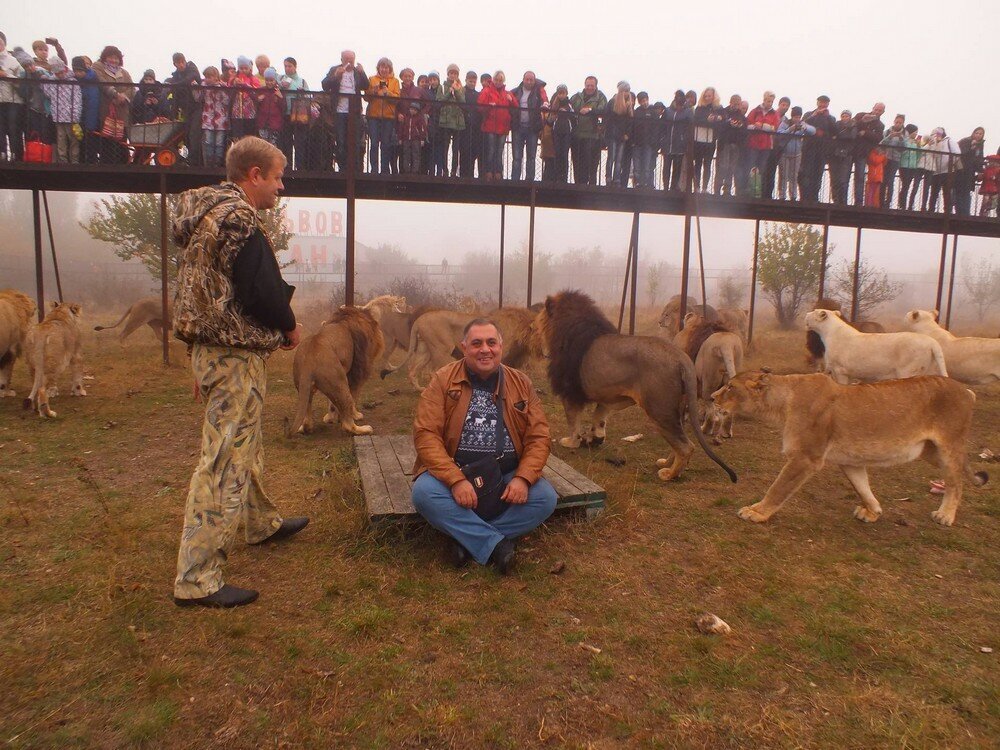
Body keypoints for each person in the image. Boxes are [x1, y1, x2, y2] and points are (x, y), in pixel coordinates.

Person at [172, 136, 307, 609]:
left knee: (245, 441)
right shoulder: (237, 218)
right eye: (277, 177)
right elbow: (262, 292)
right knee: (223, 459)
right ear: (254, 175)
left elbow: (202, 291)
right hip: (231, 355)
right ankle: (197, 578)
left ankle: (260, 522)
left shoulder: (208, 216)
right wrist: (289, 327)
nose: (281, 186)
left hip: (217, 349)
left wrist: (199, 349)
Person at [411, 318, 557, 574]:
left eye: (491, 342)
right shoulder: (442, 380)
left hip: (506, 475)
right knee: (423, 493)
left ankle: (466, 539)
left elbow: (539, 437)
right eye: (476, 343)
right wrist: (455, 480)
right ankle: (497, 544)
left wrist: (523, 479)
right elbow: (426, 434)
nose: (485, 349)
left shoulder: (521, 382)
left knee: (545, 498)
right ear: (464, 347)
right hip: (457, 472)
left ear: (501, 346)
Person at [322, 50, 368, 171]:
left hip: (355, 111)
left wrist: (362, 73)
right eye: (347, 60)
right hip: (339, 111)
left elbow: (365, 86)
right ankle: (342, 168)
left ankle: (354, 168)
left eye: (351, 60)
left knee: (354, 141)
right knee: (341, 141)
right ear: (341, 60)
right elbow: (325, 85)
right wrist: (336, 76)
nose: (349, 63)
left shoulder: (357, 72)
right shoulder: (334, 70)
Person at [91, 45, 134, 164]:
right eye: (111, 57)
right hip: (107, 112)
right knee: (107, 143)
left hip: (122, 114)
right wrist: (115, 95)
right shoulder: (98, 67)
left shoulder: (124, 73)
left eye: (117, 58)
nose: (114, 60)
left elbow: (131, 89)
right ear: (105, 57)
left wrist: (123, 97)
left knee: (122, 144)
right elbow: (102, 83)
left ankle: (123, 168)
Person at [509, 70, 547, 182]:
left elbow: (545, 104)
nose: (529, 82)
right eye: (527, 79)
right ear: (523, 79)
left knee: (531, 157)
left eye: (531, 80)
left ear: (534, 81)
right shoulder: (515, 92)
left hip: (532, 128)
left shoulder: (539, 93)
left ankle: (529, 179)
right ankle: (515, 179)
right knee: (516, 157)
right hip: (518, 127)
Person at [477, 70, 516, 181]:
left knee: (499, 151)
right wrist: (489, 106)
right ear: (493, 80)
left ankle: (498, 172)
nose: (498, 82)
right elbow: (480, 105)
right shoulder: (487, 91)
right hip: (490, 126)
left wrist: (511, 100)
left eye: (500, 80)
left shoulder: (507, 93)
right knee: (491, 150)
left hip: (503, 127)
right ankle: (489, 172)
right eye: (497, 80)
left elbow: (516, 106)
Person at [42, 58, 82, 163]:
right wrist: (44, 82)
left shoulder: (73, 82)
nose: (59, 75)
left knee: (73, 139)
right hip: (58, 115)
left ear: (64, 69)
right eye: (57, 73)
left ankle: (74, 160)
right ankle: (62, 160)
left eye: (61, 72)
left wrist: (76, 115)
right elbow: (48, 94)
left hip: (71, 116)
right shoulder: (52, 81)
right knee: (61, 139)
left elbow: (77, 100)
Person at [364, 57, 399, 175]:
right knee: (374, 143)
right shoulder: (372, 79)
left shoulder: (395, 81)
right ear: (378, 68)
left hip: (388, 117)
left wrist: (387, 92)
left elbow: (397, 99)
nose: (384, 69)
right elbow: (366, 98)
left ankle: (384, 170)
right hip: (373, 116)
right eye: (382, 67)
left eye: (386, 67)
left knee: (385, 144)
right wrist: (373, 91)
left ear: (390, 69)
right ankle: (374, 169)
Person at [569, 76, 606, 185]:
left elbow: (603, 109)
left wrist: (590, 110)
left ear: (596, 86)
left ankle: (589, 185)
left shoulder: (601, 97)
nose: (589, 87)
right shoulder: (576, 97)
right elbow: (570, 108)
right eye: (588, 85)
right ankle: (578, 184)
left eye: (592, 86)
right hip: (577, 135)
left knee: (590, 163)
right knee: (576, 162)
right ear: (584, 85)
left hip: (592, 136)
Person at [799, 95, 836, 202]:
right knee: (806, 172)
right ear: (817, 102)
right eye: (821, 102)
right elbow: (801, 124)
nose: (823, 105)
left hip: (822, 149)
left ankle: (814, 197)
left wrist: (828, 117)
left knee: (818, 173)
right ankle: (804, 197)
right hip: (808, 148)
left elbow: (835, 131)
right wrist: (813, 115)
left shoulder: (831, 118)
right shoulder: (809, 114)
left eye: (825, 103)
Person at [194, 65, 232, 168]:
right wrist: (196, 88)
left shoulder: (222, 86)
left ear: (216, 77)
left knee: (219, 144)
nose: (207, 79)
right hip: (208, 119)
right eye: (206, 77)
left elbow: (226, 101)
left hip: (221, 120)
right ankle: (209, 164)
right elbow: (198, 99)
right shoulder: (204, 86)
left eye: (210, 77)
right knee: (208, 142)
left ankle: (218, 164)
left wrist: (220, 89)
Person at [776, 106, 815, 201]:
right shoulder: (785, 123)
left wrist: (805, 128)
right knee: (784, 175)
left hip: (797, 154)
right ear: (792, 116)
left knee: (794, 176)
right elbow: (779, 133)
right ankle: (782, 196)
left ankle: (793, 196)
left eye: (799, 117)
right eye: (795, 117)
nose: (797, 119)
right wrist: (790, 129)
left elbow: (813, 131)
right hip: (785, 153)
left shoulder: (802, 123)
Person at [434, 65, 466, 177]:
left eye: (455, 73)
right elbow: (439, 101)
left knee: (455, 148)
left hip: (458, 122)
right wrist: (449, 92)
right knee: (445, 147)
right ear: (448, 74)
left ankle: (453, 171)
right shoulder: (442, 87)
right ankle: (445, 170)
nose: (453, 75)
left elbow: (463, 102)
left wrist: (456, 91)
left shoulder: (461, 88)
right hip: (445, 121)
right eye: (451, 73)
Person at [745, 91, 780, 195]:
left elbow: (775, 128)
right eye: (768, 101)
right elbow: (747, 125)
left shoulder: (774, 114)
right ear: (764, 100)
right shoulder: (755, 111)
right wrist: (755, 126)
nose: (770, 103)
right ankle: (751, 190)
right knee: (752, 167)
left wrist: (763, 126)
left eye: (772, 101)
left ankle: (758, 191)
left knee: (762, 168)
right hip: (753, 144)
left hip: (766, 145)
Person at [851, 103, 885, 205]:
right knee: (846, 177)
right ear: (873, 108)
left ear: (883, 112)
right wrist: (862, 121)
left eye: (880, 110)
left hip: (864, 152)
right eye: (876, 109)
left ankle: (858, 202)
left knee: (860, 176)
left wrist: (865, 133)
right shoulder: (861, 115)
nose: (877, 112)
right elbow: (852, 126)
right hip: (852, 150)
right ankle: (842, 200)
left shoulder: (880, 125)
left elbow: (878, 138)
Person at [278, 56, 308, 169]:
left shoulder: (302, 81)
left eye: (289, 66)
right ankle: (287, 167)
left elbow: (308, 97)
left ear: (295, 67)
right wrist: (281, 86)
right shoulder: (280, 79)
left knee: (299, 143)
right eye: (285, 66)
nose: (287, 68)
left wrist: (302, 93)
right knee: (286, 142)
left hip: (298, 115)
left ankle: (300, 167)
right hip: (285, 114)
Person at [0, 32, 26, 162]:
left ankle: (17, 154)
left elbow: (22, 80)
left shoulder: (12, 60)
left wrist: (5, 75)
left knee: (13, 127)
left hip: (13, 100)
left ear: (4, 44)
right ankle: (2, 153)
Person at [714, 94, 746, 196]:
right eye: (734, 103)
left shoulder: (741, 116)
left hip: (735, 145)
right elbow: (719, 126)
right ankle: (717, 189)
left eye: (738, 104)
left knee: (731, 168)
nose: (736, 106)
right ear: (730, 102)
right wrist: (729, 123)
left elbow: (745, 130)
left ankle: (727, 189)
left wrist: (740, 126)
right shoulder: (724, 112)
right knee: (722, 167)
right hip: (724, 144)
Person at [692, 87, 723, 192]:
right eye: (706, 96)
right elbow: (696, 120)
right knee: (698, 163)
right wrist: (707, 120)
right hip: (699, 140)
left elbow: (723, 121)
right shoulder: (699, 108)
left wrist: (718, 118)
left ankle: (705, 188)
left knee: (708, 164)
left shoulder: (719, 108)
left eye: (709, 96)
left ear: (714, 96)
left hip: (711, 140)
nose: (707, 98)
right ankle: (696, 187)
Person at [603, 81, 634, 187]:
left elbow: (630, 122)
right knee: (611, 157)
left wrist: (627, 134)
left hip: (622, 136)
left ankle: (616, 179)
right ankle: (608, 178)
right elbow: (607, 119)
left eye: (628, 91)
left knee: (619, 159)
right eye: (625, 91)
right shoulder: (612, 103)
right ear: (621, 91)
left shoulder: (629, 105)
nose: (627, 93)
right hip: (612, 135)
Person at [925, 127, 961, 212]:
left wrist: (952, 162)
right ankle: (931, 210)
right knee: (934, 193)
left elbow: (957, 153)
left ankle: (947, 211)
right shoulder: (934, 143)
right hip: (935, 171)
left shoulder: (949, 141)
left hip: (947, 171)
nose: (935, 136)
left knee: (947, 192)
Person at [662, 89, 692, 191]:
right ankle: (665, 187)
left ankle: (673, 187)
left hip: (680, 144)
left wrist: (685, 140)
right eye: (677, 96)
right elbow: (663, 125)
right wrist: (663, 139)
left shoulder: (688, 111)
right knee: (666, 167)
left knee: (677, 168)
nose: (678, 99)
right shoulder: (668, 110)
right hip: (668, 143)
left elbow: (690, 127)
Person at [763, 96, 790, 199]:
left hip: (778, 148)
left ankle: (769, 194)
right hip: (768, 146)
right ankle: (763, 193)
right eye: (783, 105)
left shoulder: (786, 120)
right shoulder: (773, 114)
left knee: (772, 172)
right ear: (779, 104)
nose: (785, 107)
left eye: (787, 105)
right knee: (765, 170)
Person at [546, 84, 573, 183]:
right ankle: (557, 176)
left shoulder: (569, 103)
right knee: (557, 154)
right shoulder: (554, 104)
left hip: (566, 132)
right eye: (560, 93)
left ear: (566, 93)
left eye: (563, 93)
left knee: (564, 154)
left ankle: (564, 177)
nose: (561, 95)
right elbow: (549, 121)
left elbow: (572, 113)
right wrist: (553, 116)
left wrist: (565, 111)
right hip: (556, 131)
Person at [955, 127, 986, 216]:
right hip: (961, 169)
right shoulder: (966, 141)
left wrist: (980, 171)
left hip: (970, 171)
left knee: (967, 191)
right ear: (973, 133)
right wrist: (972, 147)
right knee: (960, 191)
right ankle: (960, 212)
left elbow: (979, 158)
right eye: (977, 133)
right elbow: (961, 153)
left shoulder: (980, 144)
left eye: (981, 134)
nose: (978, 135)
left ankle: (965, 213)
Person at [76, 55, 100, 163]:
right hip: (79, 114)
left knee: (90, 141)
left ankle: (91, 161)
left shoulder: (92, 78)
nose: (86, 65)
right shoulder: (77, 79)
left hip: (91, 115)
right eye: (83, 63)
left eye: (87, 63)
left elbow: (92, 101)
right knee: (79, 140)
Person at [830, 109, 856, 205]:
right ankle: (835, 200)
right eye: (843, 116)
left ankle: (843, 201)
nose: (845, 118)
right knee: (834, 179)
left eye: (847, 116)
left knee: (843, 180)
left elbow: (852, 137)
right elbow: (834, 135)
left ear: (850, 117)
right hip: (835, 154)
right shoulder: (836, 125)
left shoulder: (853, 126)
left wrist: (839, 136)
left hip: (847, 154)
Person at [230, 56, 259, 142]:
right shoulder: (234, 78)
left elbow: (256, 92)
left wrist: (245, 85)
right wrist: (234, 83)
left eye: (246, 68)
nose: (243, 70)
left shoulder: (254, 79)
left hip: (250, 114)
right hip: (236, 114)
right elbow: (228, 87)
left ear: (250, 69)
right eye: (241, 68)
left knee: (248, 136)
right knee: (237, 137)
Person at [458, 70, 481, 178]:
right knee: (464, 151)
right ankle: (463, 175)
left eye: (473, 81)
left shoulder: (478, 95)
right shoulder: (462, 92)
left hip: (475, 127)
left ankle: (470, 175)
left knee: (473, 152)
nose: (472, 83)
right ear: (466, 80)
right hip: (464, 126)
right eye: (470, 81)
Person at [879, 114, 906, 207]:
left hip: (895, 159)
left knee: (890, 180)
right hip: (885, 158)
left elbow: (903, 149)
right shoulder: (887, 132)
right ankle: (880, 201)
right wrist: (890, 137)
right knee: (883, 180)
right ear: (894, 122)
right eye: (897, 122)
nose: (898, 124)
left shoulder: (904, 134)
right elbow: (881, 144)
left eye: (900, 123)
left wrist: (901, 139)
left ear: (903, 123)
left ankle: (888, 202)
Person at [255, 67, 284, 147]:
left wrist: (280, 98)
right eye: (267, 80)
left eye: (271, 80)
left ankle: (271, 159)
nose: (269, 82)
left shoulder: (279, 92)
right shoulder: (261, 90)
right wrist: (257, 100)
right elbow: (255, 106)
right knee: (263, 145)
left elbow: (283, 108)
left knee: (273, 145)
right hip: (263, 122)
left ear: (275, 80)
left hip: (275, 124)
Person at [896, 124, 922, 210]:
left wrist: (919, 146)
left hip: (912, 166)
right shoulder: (904, 140)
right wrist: (910, 145)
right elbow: (902, 152)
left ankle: (903, 203)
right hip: (904, 165)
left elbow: (919, 155)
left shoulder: (916, 143)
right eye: (915, 132)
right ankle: (902, 203)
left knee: (907, 184)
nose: (916, 134)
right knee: (905, 184)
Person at [979, 153, 1000, 217]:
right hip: (988, 187)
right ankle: (983, 213)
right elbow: (981, 177)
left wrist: (996, 178)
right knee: (986, 200)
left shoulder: (998, 169)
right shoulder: (986, 169)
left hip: (994, 188)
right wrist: (980, 176)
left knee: (993, 202)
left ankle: (986, 209)